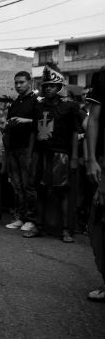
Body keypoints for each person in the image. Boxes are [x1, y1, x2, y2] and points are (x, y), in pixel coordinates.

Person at [24, 65, 79, 242]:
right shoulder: (38, 107)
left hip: (60, 155)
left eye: (52, 86)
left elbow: (74, 133)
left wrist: (74, 158)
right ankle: (38, 226)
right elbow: (33, 131)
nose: (48, 88)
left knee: (61, 192)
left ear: (59, 87)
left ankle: (65, 230)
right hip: (40, 155)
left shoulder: (69, 107)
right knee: (40, 191)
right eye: (46, 85)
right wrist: (30, 154)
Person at [85, 64, 105, 302]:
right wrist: (90, 159)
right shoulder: (102, 77)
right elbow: (94, 119)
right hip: (103, 159)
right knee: (100, 223)